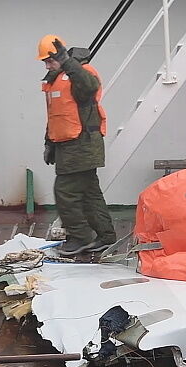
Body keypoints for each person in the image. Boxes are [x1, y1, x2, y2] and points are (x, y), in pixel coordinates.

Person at [37, 34, 116, 256]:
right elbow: (56, 116)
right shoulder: (55, 79)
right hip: (69, 146)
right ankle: (105, 236)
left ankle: (81, 237)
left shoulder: (81, 73)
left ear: (61, 57)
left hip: (81, 145)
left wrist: (67, 62)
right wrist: (49, 143)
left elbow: (90, 87)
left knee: (65, 192)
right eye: (45, 61)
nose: (46, 64)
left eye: (50, 60)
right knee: (90, 192)